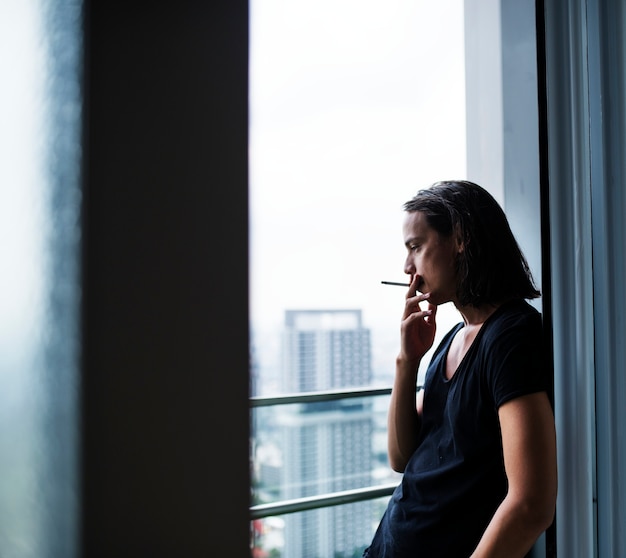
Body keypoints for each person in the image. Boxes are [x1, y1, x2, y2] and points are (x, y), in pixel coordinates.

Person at [364, 181, 557, 557]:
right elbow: (402, 458)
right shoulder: (453, 337)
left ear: (460, 239)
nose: (408, 267)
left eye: (416, 247)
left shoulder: (511, 337)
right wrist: (408, 361)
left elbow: (531, 505)